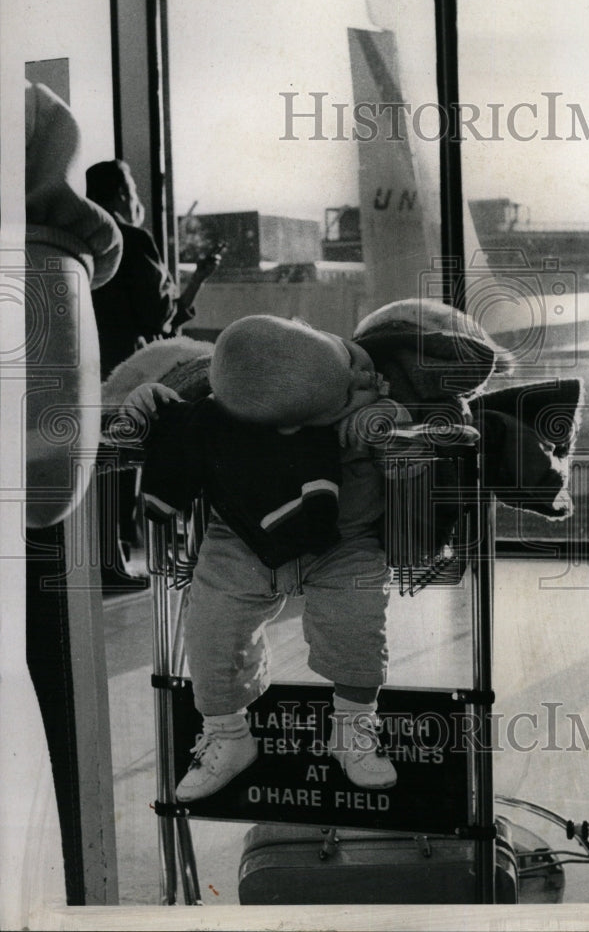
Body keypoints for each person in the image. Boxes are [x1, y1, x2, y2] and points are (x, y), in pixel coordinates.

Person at [124, 315, 413, 800]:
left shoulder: (352, 373)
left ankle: (352, 728)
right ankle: (227, 734)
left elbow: (406, 414)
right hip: (240, 537)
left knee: (356, 623)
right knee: (211, 629)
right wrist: (147, 402)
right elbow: (171, 408)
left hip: (343, 537)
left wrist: (378, 417)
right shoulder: (229, 387)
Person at [85, 159, 221, 591]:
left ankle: (107, 560)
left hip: (89, 365)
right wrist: (192, 283)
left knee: (96, 463)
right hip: (129, 368)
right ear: (124, 193)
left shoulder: (84, 240)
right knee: (122, 461)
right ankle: (114, 563)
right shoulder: (132, 238)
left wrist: (196, 281)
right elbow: (160, 316)